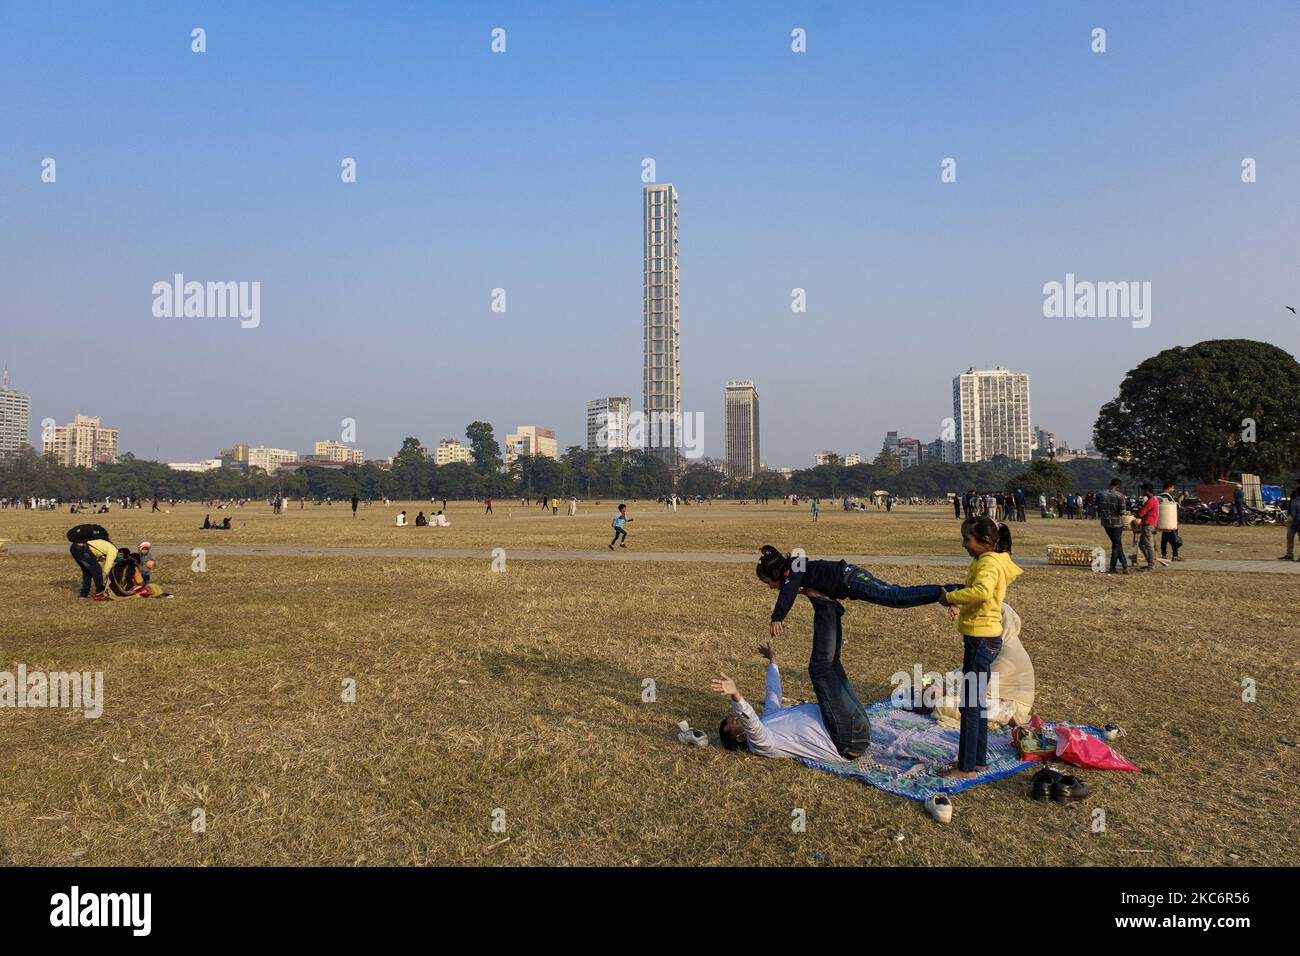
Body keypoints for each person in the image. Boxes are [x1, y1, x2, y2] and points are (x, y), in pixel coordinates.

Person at [713, 605, 865, 762]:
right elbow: (751, 722)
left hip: (852, 726)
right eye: (737, 720)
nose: (738, 717)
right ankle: (824, 605)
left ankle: (832, 612)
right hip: (846, 740)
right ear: (741, 737)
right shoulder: (762, 744)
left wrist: (773, 662)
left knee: (833, 665)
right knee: (819, 668)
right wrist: (735, 695)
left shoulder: (768, 719)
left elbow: (773, 693)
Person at [935, 516, 1022, 778]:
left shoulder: (988, 563)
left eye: (967, 540)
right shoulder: (992, 560)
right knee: (977, 702)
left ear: (985, 542)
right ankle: (977, 760)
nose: (964, 545)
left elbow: (982, 591)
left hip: (980, 640)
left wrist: (949, 597)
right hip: (984, 638)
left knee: (970, 705)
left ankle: (967, 768)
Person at [756, 545, 951, 638]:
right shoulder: (796, 569)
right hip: (852, 578)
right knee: (895, 595)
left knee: (895, 596)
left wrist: (777, 617)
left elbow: (788, 591)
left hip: (852, 580)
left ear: (775, 572)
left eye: (769, 582)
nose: (772, 587)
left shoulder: (794, 568)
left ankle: (947, 592)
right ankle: (948, 593)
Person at [931, 603, 1034, 730]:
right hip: (990, 696)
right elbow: (966, 671)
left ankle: (1005, 717)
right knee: (940, 695)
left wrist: (946, 691)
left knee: (944, 705)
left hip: (1011, 704)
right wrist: (941, 684)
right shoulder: (990, 644)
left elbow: (982, 685)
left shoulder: (1006, 650)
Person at [1099, 478, 1129, 575]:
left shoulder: (1101, 494)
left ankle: (1125, 566)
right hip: (1117, 523)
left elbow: (1097, 507)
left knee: (1117, 544)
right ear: (1118, 486)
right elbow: (1122, 511)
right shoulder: (1120, 496)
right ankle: (1113, 567)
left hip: (1106, 522)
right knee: (1116, 545)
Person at [1134, 484, 1159, 571]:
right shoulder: (1152, 500)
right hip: (1147, 524)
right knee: (1142, 545)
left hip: (1148, 525)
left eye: (1143, 490)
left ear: (1147, 490)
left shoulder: (1150, 501)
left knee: (1148, 546)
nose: (1142, 492)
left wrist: (1135, 513)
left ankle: (1151, 566)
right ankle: (1150, 563)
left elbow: (1141, 513)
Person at [1157, 481, 1182, 561]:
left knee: (1164, 539)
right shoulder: (1167, 496)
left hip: (1163, 521)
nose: (1173, 489)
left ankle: (1164, 554)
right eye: (1172, 488)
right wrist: (1180, 500)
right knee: (1174, 538)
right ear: (1169, 487)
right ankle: (1175, 555)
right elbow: (1176, 506)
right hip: (1170, 521)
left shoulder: (1158, 496)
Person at [1280, 478, 1300, 561]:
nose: (1293, 486)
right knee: (1289, 537)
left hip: (1299, 519)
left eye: (1295, 484)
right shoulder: (1293, 495)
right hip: (1291, 518)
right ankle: (1289, 554)